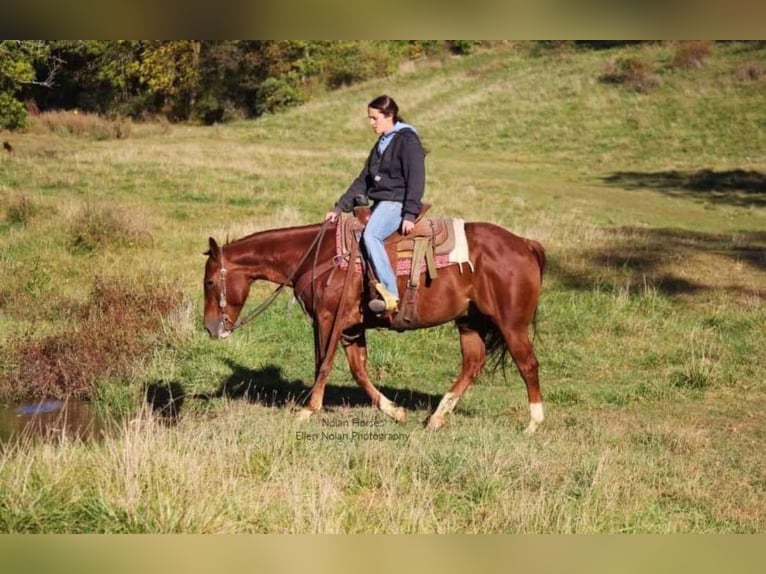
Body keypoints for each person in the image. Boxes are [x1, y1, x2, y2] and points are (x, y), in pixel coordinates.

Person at [325, 95, 426, 314]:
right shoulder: (382, 142)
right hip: (381, 202)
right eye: (369, 118)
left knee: (371, 236)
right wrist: (339, 208)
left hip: (396, 203)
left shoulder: (407, 140)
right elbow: (363, 179)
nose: (371, 123)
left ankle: (391, 294)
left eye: (374, 118)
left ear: (389, 116)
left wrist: (409, 213)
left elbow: (416, 179)